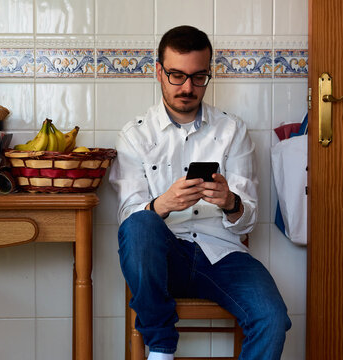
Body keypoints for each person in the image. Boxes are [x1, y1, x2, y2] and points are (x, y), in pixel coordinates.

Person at [109, 25, 291, 360]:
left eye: (198, 77)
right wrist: (162, 204)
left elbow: (247, 222)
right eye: (176, 75)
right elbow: (127, 222)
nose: (188, 87)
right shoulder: (134, 135)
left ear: (209, 74)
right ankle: (161, 349)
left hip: (223, 255)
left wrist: (231, 202)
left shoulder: (232, 131)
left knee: (273, 318)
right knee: (139, 224)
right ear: (158, 72)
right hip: (165, 259)